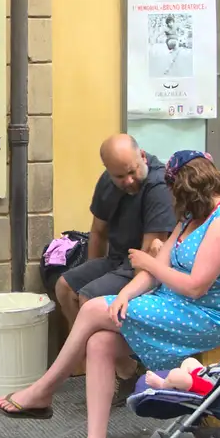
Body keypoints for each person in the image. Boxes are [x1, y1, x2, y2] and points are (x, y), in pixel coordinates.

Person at [0, 151, 220, 438]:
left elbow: (195, 287)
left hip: (210, 315)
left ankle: (44, 390)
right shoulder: (194, 215)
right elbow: (158, 270)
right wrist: (125, 294)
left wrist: (148, 263)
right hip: (177, 305)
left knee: (91, 308)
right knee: (100, 343)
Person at [56, 136, 175, 329]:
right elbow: (98, 231)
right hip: (116, 258)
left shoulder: (158, 186)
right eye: (119, 177)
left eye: (132, 172)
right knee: (64, 287)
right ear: (108, 170)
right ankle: (79, 349)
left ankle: (90, 350)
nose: (128, 181)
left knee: (90, 298)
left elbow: (151, 254)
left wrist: (129, 294)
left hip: (141, 264)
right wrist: (92, 270)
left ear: (143, 157)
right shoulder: (108, 180)